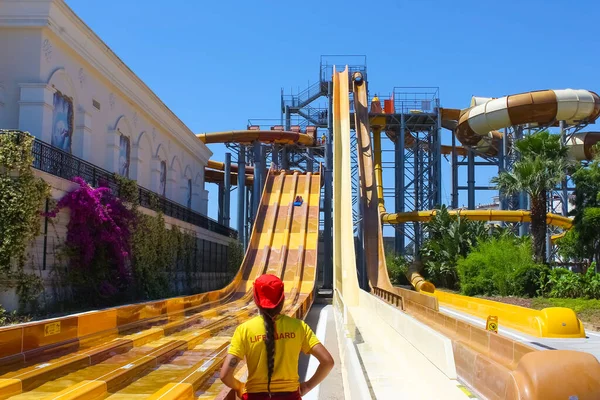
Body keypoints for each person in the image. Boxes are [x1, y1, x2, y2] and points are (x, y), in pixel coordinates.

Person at [220, 274, 334, 400]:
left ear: (256, 300)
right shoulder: (299, 327)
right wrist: (307, 386)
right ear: (283, 299)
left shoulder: (244, 330)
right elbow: (328, 362)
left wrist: (240, 386)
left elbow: (225, 375)